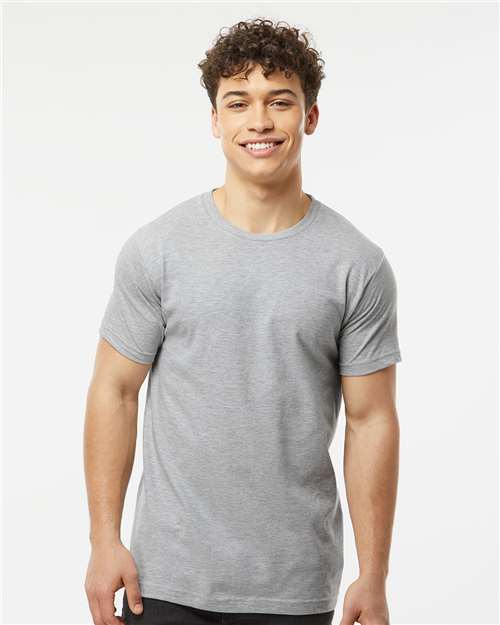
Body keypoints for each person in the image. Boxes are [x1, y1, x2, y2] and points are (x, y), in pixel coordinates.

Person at [84, 17, 402, 625]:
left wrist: (374, 575)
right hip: (165, 576)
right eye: (238, 103)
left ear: (310, 116)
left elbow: (371, 420)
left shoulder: (356, 264)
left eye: (279, 101)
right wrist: (104, 540)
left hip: (294, 585)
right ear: (215, 120)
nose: (259, 121)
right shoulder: (158, 249)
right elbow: (114, 391)